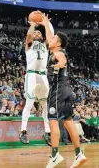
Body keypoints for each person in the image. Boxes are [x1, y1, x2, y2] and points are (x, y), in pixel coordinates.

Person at [38, 14, 87, 168]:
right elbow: (51, 37)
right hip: (67, 90)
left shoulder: (58, 54)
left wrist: (61, 64)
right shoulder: (57, 49)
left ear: (57, 44)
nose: (48, 40)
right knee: (68, 121)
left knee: (53, 122)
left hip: (58, 91)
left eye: (52, 40)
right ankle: (79, 154)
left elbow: (62, 59)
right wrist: (46, 23)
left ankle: (54, 155)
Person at [19, 18, 54, 145]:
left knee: (45, 105)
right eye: (35, 33)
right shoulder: (29, 44)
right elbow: (29, 35)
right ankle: (23, 131)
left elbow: (51, 37)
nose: (36, 34)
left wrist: (47, 24)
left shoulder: (45, 45)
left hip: (43, 76)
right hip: (32, 75)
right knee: (29, 103)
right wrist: (33, 25)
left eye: (39, 33)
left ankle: (47, 131)